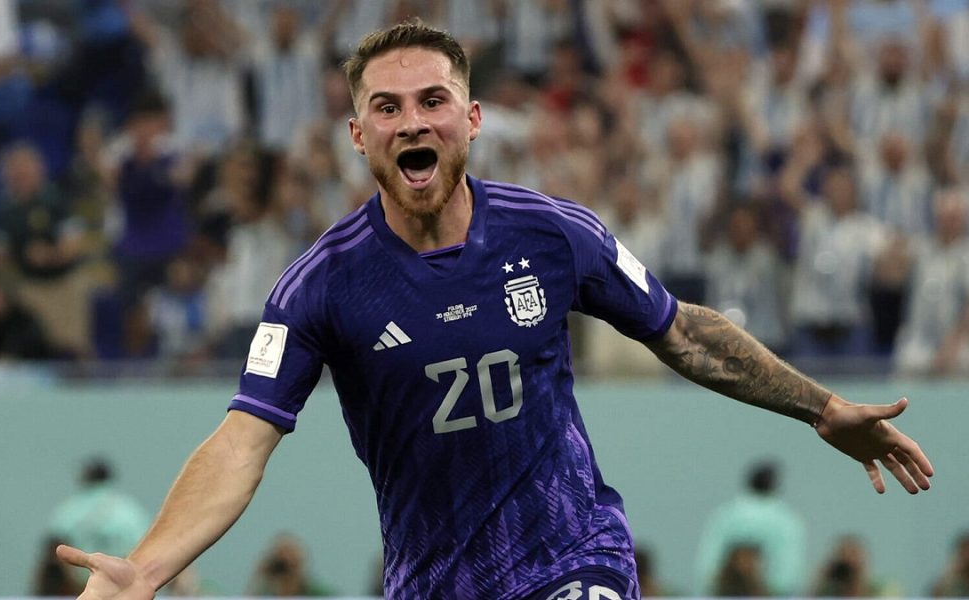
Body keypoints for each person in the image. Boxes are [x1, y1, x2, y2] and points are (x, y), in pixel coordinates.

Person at [57, 20, 934, 600]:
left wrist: (820, 405)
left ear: (471, 119)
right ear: (358, 135)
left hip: (573, 557)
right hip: (434, 581)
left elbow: (682, 331)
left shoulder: (554, 234)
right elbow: (240, 443)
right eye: (387, 108)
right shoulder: (317, 287)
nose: (413, 122)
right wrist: (150, 566)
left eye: (433, 101)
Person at [693, 461, 805, 596]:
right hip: (766, 592)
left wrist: (712, 580)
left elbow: (710, 555)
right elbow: (789, 562)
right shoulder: (786, 519)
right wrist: (778, 587)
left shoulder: (727, 513)